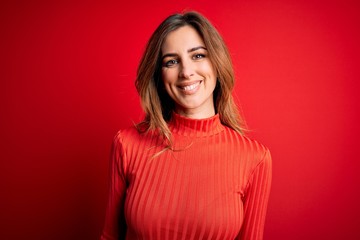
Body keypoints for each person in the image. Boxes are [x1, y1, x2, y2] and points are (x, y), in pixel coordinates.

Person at [101, 11, 272, 240]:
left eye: (198, 56)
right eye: (171, 61)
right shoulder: (127, 145)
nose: (186, 72)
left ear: (217, 63)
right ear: (159, 75)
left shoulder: (254, 158)